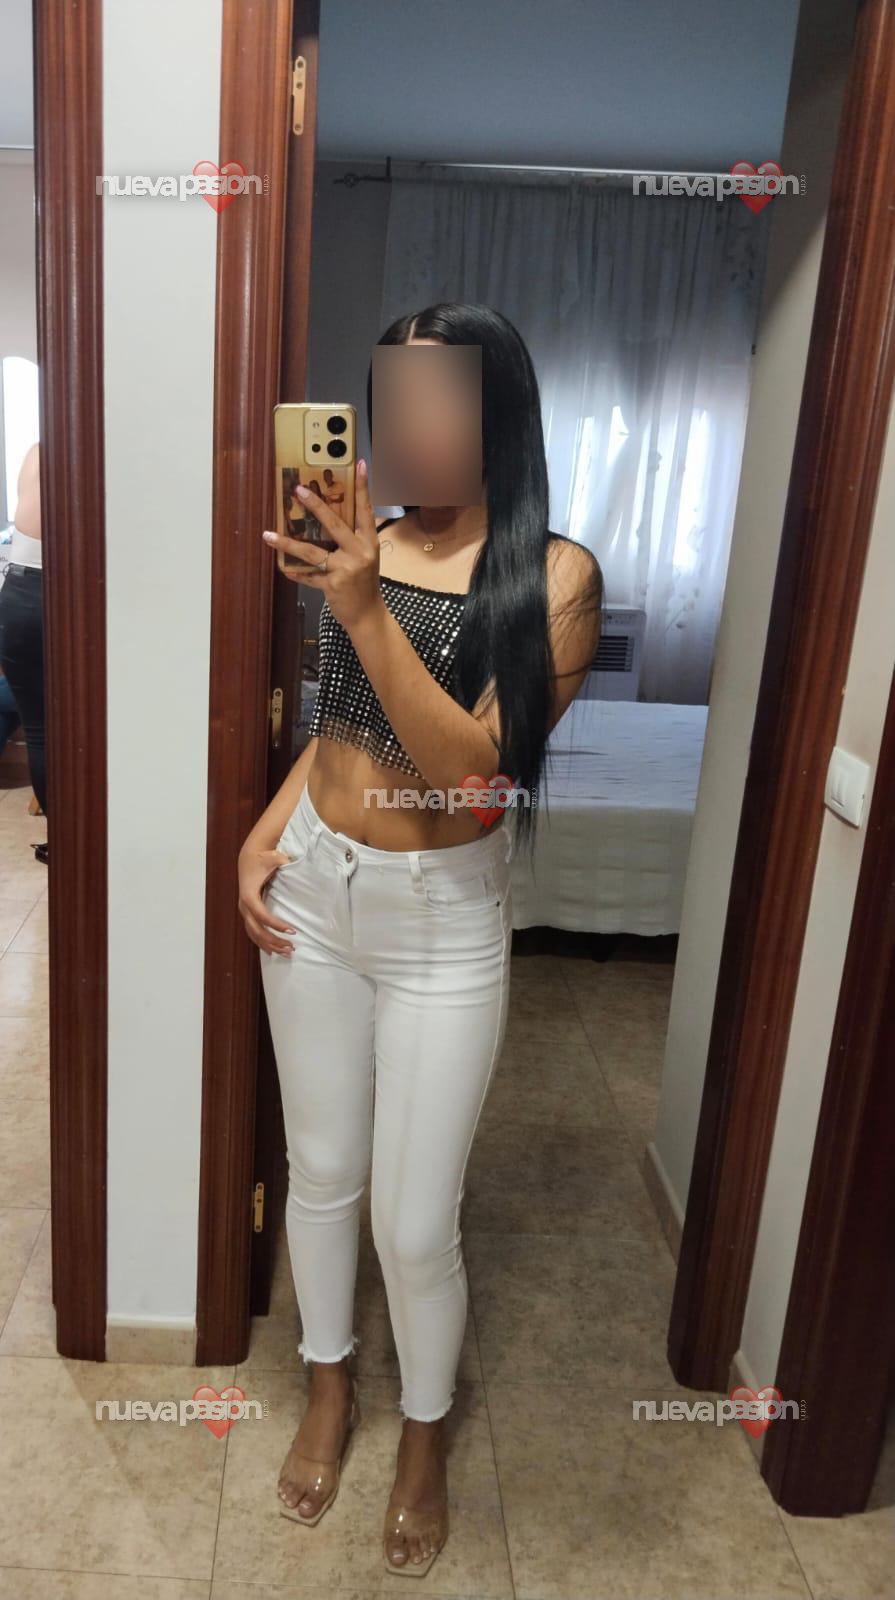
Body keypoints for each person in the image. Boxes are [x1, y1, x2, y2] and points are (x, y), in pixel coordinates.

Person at [237, 302, 603, 1577]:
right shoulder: (370, 542)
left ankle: (427, 1429)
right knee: (322, 1171)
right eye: (393, 403)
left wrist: (364, 610)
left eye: (441, 402)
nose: (410, 430)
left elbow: (477, 780)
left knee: (412, 1218)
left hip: (442, 925)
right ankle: (330, 1383)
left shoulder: (552, 577)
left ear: (498, 414)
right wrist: (261, 834)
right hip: (316, 892)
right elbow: (341, 730)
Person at [0, 442, 48, 862]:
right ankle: (75, 840)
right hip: (55, 587)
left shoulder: (37, 449)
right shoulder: (92, 448)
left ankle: (63, 839)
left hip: (17, 591)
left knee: (41, 730)